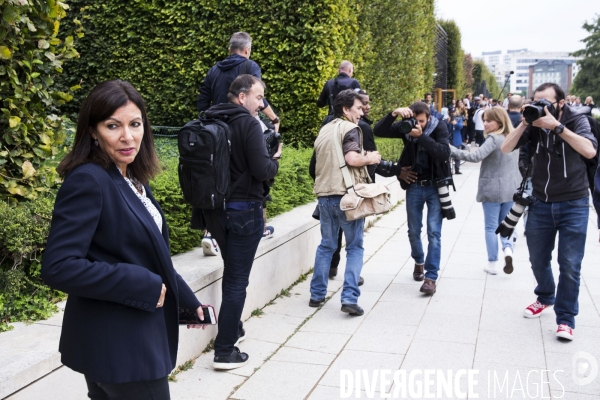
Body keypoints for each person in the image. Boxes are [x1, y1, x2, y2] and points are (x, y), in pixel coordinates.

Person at [41, 80, 206, 400]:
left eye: (135, 124)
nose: (127, 136)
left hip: (124, 339)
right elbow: (58, 266)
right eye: (112, 126)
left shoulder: (131, 178)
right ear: (92, 131)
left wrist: (186, 300)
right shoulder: (89, 179)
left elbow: (151, 253)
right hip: (120, 344)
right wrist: (140, 284)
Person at [501, 82, 597, 341]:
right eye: (536, 101)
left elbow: (589, 150)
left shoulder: (577, 121)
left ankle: (566, 319)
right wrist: (524, 122)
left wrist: (557, 126)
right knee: (537, 259)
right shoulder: (532, 125)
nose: (540, 106)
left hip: (574, 203)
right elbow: (505, 148)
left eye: (545, 102)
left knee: (569, 264)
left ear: (561, 103)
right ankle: (545, 295)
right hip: (541, 202)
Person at [198, 74, 282, 368]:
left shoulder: (210, 118)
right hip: (244, 212)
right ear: (243, 96)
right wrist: (276, 158)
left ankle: (234, 328)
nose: (262, 104)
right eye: (259, 97)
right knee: (236, 280)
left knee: (232, 272)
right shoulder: (247, 123)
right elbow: (262, 170)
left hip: (214, 212)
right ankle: (225, 350)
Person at [197, 32, 279, 245]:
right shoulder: (250, 66)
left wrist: (212, 121)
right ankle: (259, 226)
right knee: (258, 170)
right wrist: (273, 118)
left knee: (216, 173)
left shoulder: (214, 70)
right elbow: (258, 96)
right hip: (243, 125)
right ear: (247, 50)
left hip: (216, 130)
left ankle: (209, 232)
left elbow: (203, 100)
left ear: (229, 49)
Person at [310, 89, 380, 315]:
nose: (362, 112)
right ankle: (349, 297)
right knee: (355, 247)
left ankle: (317, 294)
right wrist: (370, 158)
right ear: (345, 109)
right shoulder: (350, 129)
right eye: (358, 108)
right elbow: (352, 158)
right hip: (346, 197)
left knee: (326, 245)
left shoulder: (324, 130)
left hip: (324, 196)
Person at [374, 102, 451, 295]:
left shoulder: (438, 125)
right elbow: (378, 130)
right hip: (415, 185)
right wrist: (393, 113)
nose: (418, 125)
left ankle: (431, 277)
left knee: (434, 232)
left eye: (422, 121)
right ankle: (419, 261)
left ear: (428, 117)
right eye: (415, 121)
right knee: (413, 231)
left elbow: (443, 152)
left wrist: (422, 137)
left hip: (435, 186)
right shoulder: (405, 126)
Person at [451, 107, 521, 274]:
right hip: (511, 188)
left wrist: (450, 149)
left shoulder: (494, 139)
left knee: (491, 227)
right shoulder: (514, 138)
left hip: (492, 189)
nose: (485, 123)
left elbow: (475, 157)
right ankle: (508, 250)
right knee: (507, 225)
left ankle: (492, 263)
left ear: (500, 121)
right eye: (484, 120)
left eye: (489, 120)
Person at [447, 106, 464, 175]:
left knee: (457, 156)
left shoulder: (459, 119)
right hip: (449, 140)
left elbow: (460, 126)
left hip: (457, 140)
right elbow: (445, 129)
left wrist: (455, 123)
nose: (452, 114)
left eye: (453, 112)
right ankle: (449, 170)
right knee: (448, 157)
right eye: (451, 112)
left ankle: (457, 169)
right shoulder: (446, 120)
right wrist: (448, 122)